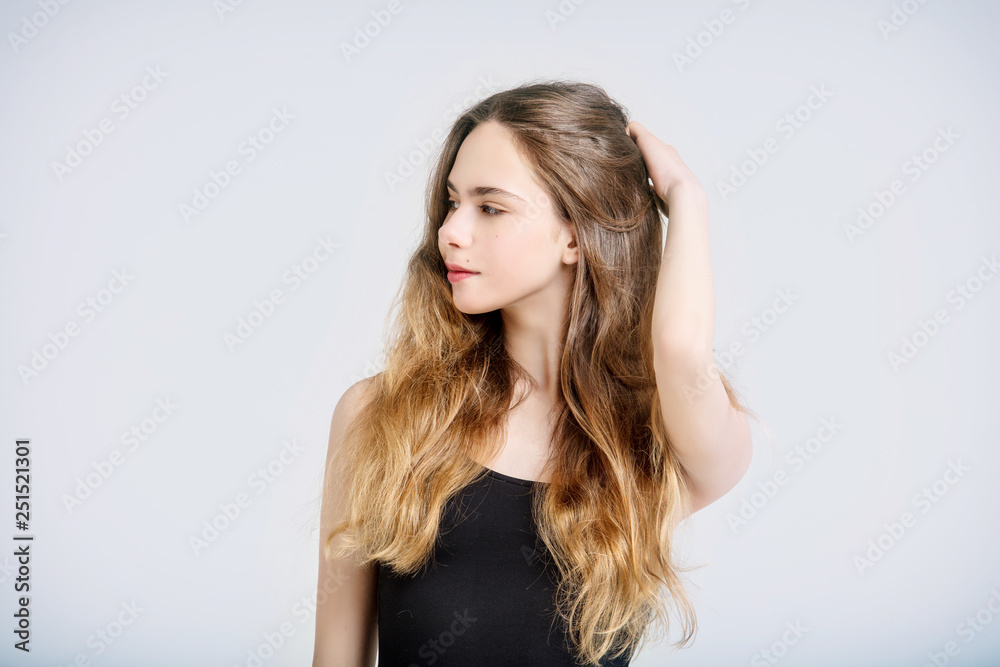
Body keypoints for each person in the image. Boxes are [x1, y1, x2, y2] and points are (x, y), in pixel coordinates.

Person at [312, 79, 756, 667]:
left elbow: (678, 348)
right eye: (452, 202)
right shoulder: (379, 416)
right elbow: (334, 660)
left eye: (490, 207)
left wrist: (687, 199)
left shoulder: (653, 443)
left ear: (576, 234)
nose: (450, 232)